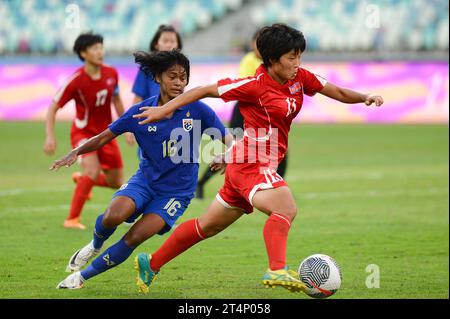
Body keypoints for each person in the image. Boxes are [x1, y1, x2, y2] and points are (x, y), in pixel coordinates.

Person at [132, 23, 384, 294]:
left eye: (299, 55)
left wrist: (365, 97)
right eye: (291, 57)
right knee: (285, 208)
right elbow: (203, 90)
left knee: (207, 226)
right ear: (273, 60)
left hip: (253, 163)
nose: (297, 62)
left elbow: (338, 92)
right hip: (251, 163)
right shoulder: (252, 85)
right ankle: (276, 269)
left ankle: (151, 262)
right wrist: (163, 110)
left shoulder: (301, 78)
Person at [52, 49, 232, 289]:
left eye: (183, 77)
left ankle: (81, 277)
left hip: (175, 193)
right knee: (113, 216)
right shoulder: (140, 112)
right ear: (158, 77)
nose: (179, 82)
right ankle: (95, 245)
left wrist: (227, 154)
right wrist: (77, 151)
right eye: (172, 76)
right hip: (145, 181)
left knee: (134, 237)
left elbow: (229, 139)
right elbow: (106, 136)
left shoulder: (197, 109)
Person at [43, 32, 134, 230]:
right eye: (95, 48)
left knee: (116, 181)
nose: (100, 51)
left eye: (101, 47)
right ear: (83, 53)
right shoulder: (76, 81)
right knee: (92, 171)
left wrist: (127, 127)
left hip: (106, 134)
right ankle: (72, 219)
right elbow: (53, 107)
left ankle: (83, 180)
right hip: (83, 134)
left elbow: (117, 100)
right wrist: (50, 136)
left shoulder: (112, 73)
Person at [196, 29, 288, 199]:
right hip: (244, 112)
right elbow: (249, 86)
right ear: (254, 44)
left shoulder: (273, 64)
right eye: (257, 43)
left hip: (265, 115)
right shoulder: (249, 60)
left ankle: (277, 187)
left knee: (277, 151)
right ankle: (201, 182)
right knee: (235, 151)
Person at [131, 24, 183, 160]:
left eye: (172, 41)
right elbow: (138, 97)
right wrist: (131, 125)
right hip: (151, 124)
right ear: (156, 44)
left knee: (173, 167)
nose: (169, 44)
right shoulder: (147, 69)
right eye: (165, 41)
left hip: (173, 126)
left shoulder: (181, 69)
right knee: (148, 166)